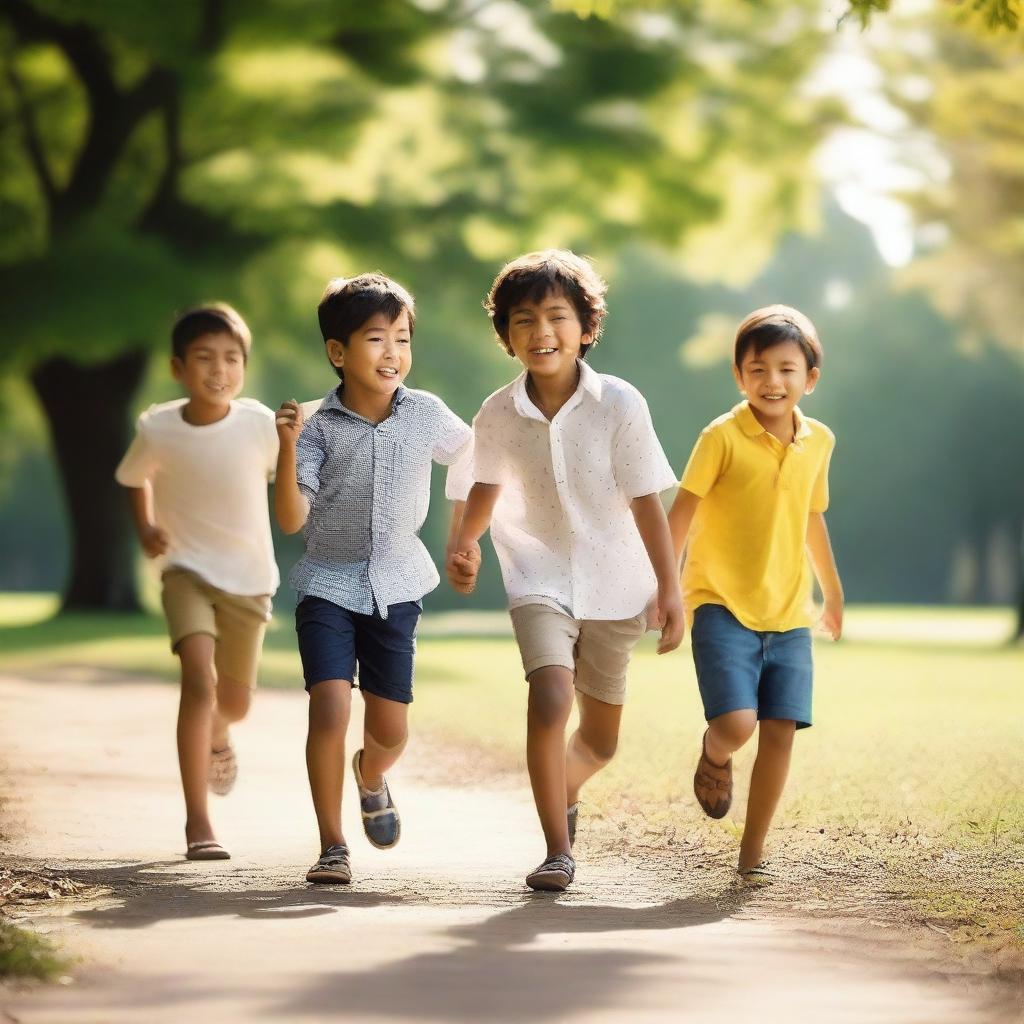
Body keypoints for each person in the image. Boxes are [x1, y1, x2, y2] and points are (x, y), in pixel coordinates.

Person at [447, 250, 683, 892]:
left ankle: (566, 787)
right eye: (523, 320)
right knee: (550, 695)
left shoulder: (620, 404)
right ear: (506, 336)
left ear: (585, 327)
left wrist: (672, 589)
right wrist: (466, 543)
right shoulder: (496, 413)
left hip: (617, 580)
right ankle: (557, 850)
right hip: (537, 571)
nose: (540, 332)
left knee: (600, 743)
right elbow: (486, 487)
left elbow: (646, 500)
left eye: (556, 316)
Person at [275, 273, 473, 885]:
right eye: (376, 339)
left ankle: (372, 774)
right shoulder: (315, 427)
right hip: (326, 584)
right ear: (338, 352)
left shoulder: (426, 414)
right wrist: (285, 446)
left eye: (402, 339)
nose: (393, 354)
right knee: (328, 707)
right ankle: (332, 845)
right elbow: (290, 520)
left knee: (390, 731)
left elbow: (478, 457)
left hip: (398, 585)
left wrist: (462, 535)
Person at [667, 304, 843, 880]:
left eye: (788, 369)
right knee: (739, 724)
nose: (773, 381)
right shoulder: (721, 436)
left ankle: (752, 855)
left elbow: (811, 518)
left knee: (781, 731)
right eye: (759, 369)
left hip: (790, 609)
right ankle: (716, 754)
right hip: (719, 601)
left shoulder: (819, 442)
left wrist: (832, 593)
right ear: (740, 376)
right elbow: (683, 511)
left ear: (810, 378)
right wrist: (665, 587)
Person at [115, 303, 279, 861]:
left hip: (250, 580)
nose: (220, 369)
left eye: (232, 358)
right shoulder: (157, 427)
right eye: (205, 358)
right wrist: (146, 529)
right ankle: (198, 823)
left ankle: (218, 735)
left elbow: (294, 481)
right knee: (199, 683)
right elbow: (133, 478)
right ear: (177, 367)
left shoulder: (259, 425)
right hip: (186, 570)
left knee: (232, 703)